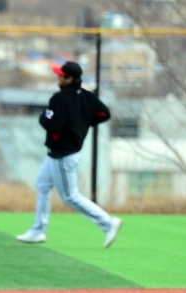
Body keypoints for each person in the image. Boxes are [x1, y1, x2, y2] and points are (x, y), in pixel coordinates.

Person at [16, 61, 122, 248]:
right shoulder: (88, 97)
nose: (58, 77)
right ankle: (38, 231)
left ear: (69, 78)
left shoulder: (60, 98)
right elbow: (104, 114)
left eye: (61, 75)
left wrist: (43, 116)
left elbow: (52, 124)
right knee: (42, 185)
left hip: (63, 154)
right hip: (63, 152)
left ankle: (107, 223)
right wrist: (82, 124)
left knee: (70, 197)